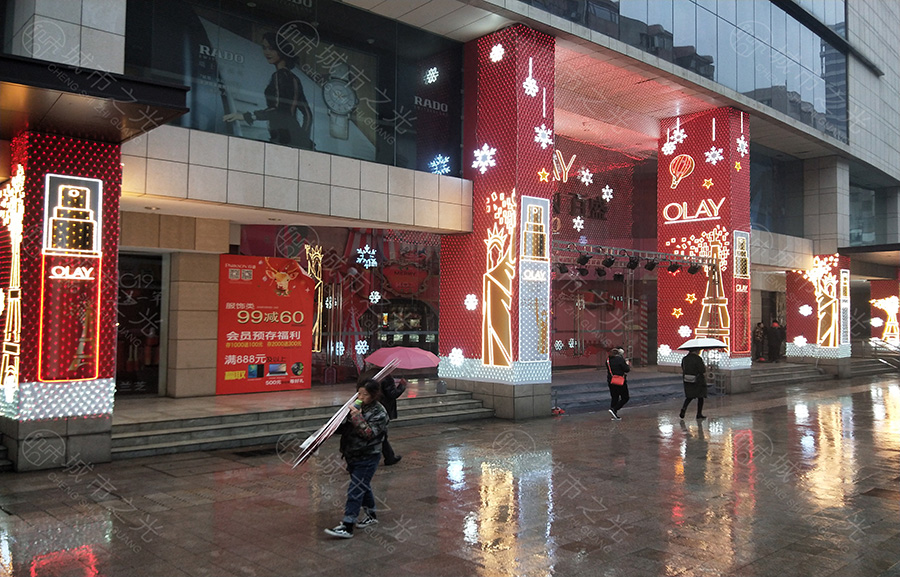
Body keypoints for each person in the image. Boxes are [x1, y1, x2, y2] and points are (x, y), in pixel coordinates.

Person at [223, 32, 315, 149]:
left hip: (283, 136)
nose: (267, 52)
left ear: (281, 50)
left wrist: (245, 116)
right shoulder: (295, 79)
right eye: (264, 48)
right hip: (292, 136)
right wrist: (303, 139)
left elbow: (277, 110)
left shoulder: (278, 76)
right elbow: (308, 115)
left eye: (271, 48)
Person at [324, 379, 388, 539]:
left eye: (365, 394)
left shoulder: (379, 413)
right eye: (359, 393)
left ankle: (348, 525)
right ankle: (371, 515)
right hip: (352, 454)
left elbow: (369, 434)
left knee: (355, 490)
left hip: (368, 455)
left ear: (373, 395)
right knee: (362, 486)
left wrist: (357, 417)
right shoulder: (356, 406)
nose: (360, 397)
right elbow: (344, 429)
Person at [359, 366, 407, 466]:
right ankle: (387, 457)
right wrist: (402, 386)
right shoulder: (386, 377)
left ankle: (389, 457)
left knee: (379, 433)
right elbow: (393, 394)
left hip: (366, 407)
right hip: (381, 408)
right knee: (380, 434)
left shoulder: (368, 375)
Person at [680, 348, 707, 419]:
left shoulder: (685, 358)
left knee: (689, 396)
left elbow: (683, 367)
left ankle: (684, 408)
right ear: (696, 350)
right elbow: (702, 370)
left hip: (687, 379)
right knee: (700, 397)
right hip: (698, 380)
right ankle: (699, 414)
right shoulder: (698, 359)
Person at [605, 347, 630, 421]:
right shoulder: (620, 359)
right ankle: (614, 409)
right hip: (620, 381)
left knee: (614, 397)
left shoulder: (608, 360)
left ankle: (613, 414)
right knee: (625, 397)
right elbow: (627, 369)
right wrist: (627, 364)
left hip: (611, 381)